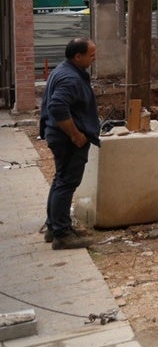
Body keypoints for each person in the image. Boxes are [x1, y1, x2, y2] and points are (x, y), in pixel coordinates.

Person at [40, 38, 100, 250]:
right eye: (91, 55)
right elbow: (57, 106)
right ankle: (62, 235)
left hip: (58, 136)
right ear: (78, 56)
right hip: (67, 140)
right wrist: (75, 135)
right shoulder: (70, 78)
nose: (94, 58)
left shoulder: (65, 70)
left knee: (60, 180)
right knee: (66, 183)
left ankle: (54, 227)